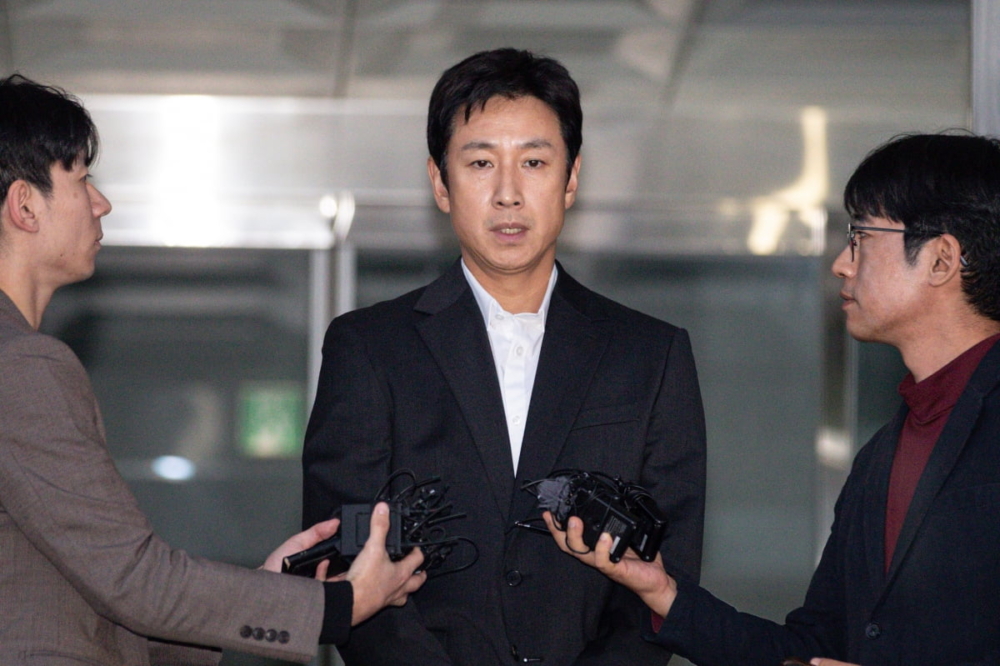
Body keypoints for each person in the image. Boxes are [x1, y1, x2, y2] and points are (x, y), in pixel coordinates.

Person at [0, 73, 426, 666]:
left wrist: (270, 588)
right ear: (25, 205)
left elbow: (90, 599)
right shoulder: (22, 366)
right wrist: (338, 606)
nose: (101, 203)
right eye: (81, 180)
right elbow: (133, 578)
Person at [302, 47, 707, 666]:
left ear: (571, 178)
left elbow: (665, 569)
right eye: (481, 163)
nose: (508, 194)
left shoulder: (650, 354)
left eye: (535, 162)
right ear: (440, 182)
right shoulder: (369, 348)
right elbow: (348, 558)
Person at [546, 132, 1000, 666]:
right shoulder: (883, 456)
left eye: (861, 237)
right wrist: (664, 593)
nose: (842, 263)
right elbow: (811, 651)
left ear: (942, 260)